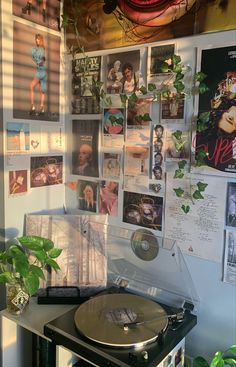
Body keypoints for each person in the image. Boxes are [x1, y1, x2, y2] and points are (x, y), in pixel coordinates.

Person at [196, 95, 236, 172]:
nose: (227, 115)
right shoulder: (204, 127)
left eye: (231, 119)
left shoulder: (224, 152)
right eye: (227, 111)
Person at [30, 34, 47, 116]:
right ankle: (42, 108)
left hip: (41, 71)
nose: (37, 40)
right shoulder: (41, 49)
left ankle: (33, 107)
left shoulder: (40, 49)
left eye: (38, 39)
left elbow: (41, 60)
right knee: (42, 91)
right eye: (36, 39)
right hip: (42, 70)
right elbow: (42, 59)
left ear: (41, 40)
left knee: (32, 86)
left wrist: (38, 61)